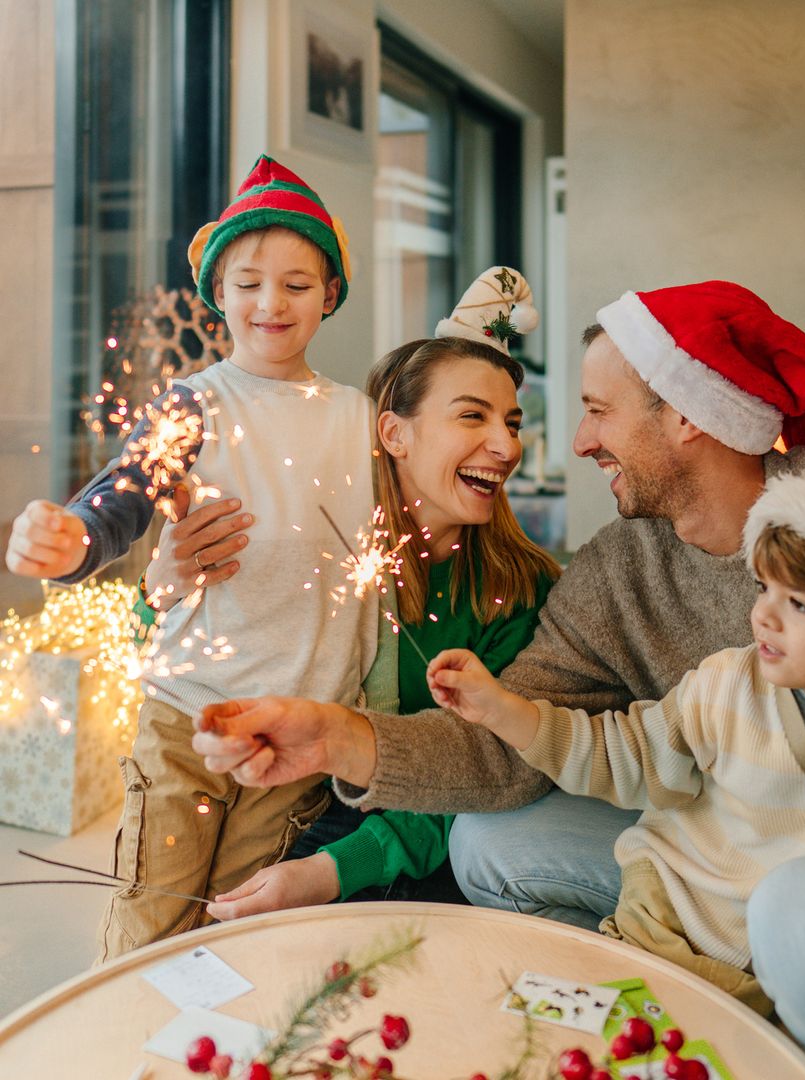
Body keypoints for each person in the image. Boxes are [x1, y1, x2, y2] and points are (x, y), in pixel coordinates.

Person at [193, 281, 805, 1079]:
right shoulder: (622, 572)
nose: (575, 441)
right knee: (491, 844)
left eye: (597, 411)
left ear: (684, 415)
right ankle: (705, 1018)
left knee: (803, 905)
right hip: (747, 890)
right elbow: (519, 742)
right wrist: (339, 736)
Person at [426, 473, 805, 1015]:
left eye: (799, 605)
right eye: (765, 587)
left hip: (770, 989)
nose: (763, 615)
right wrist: (503, 710)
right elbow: (623, 756)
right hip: (652, 928)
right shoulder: (730, 683)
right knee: (524, 1014)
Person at [4, 154, 382, 959]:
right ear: (218, 293)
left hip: (298, 724)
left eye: (296, 283)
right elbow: (123, 496)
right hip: (187, 709)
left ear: (331, 295)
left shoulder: (359, 416)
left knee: (244, 928)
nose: (269, 302)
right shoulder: (194, 402)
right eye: (247, 281)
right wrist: (71, 539)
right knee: (154, 919)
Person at [198, 269, 560, 919]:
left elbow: (492, 775)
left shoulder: (522, 589)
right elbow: (182, 639)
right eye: (472, 416)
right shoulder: (313, 545)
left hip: (429, 845)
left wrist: (332, 871)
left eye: (511, 420)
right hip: (291, 808)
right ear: (394, 434)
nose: (507, 446)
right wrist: (165, 585)